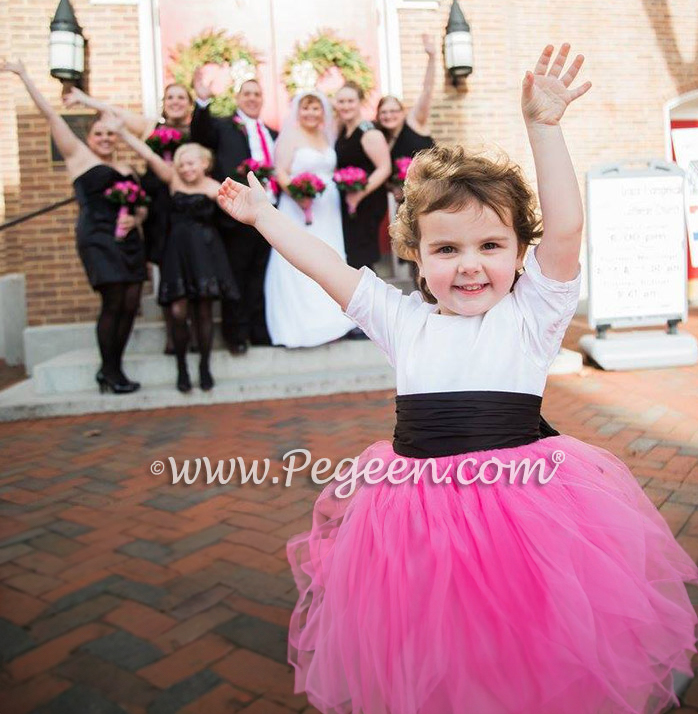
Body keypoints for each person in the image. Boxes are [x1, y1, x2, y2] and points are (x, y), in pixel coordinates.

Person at [217, 43, 698, 714]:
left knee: (524, 641)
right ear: (415, 255)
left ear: (519, 253)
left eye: (490, 246)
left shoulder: (534, 314)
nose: (469, 266)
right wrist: (265, 216)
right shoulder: (400, 317)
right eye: (447, 249)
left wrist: (545, 129)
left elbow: (566, 228)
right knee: (434, 647)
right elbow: (325, 265)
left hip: (525, 511)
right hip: (415, 518)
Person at [2, 59, 146, 394]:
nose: (106, 138)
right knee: (113, 299)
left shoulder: (126, 165)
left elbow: (142, 208)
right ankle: (110, 370)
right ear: (89, 136)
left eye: (111, 134)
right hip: (97, 236)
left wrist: (136, 218)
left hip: (130, 240)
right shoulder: (79, 157)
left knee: (130, 301)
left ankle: (113, 370)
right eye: (100, 133)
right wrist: (24, 75)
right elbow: (51, 115)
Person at [109, 116, 239, 393]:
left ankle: (204, 366)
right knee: (178, 312)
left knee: (203, 312)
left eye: (191, 163)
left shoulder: (216, 188)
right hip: (176, 252)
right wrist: (122, 131)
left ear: (204, 163)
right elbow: (147, 152)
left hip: (205, 252)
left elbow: (243, 208)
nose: (185, 168)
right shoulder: (173, 180)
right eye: (181, 163)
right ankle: (182, 365)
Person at [64, 83, 194, 354]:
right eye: (170, 97)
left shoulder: (199, 133)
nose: (175, 101)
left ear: (190, 104)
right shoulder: (150, 127)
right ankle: (174, 334)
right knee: (165, 266)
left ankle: (185, 329)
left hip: (186, 208)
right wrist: (85, 99)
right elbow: (115, 113)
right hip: (159, 207)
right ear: (163, 102)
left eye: (181, 97)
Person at [191, 72, 277, 354]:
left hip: (269, 216)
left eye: (257, 94)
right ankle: (235, 334)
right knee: (237, 276)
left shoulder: (271, 134)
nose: (252, 98)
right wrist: (202, 101)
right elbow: (200, 134)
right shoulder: (224, 127)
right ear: (238, 99)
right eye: (247, 94)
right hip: (238, 216)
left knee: (260, 276)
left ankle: (258, 329)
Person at [265, 91, 353, 347]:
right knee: (300, 257)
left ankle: (334, 318)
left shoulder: (327, 135)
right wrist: (297, 194)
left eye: (316, 109)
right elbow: (280, 171)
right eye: (306, 109)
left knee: (330, 255)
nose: (311, 114)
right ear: (298, 111)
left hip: (327, 207)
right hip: (297, 207)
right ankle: (301, 324)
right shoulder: (289, 136)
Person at [334, 81, 391, 271]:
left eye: (350, 101)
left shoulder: (368, 131)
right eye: (341, 101)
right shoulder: (343, 130)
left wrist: (359, 194)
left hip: (367, 202)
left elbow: (384, 168)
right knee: (353, 257)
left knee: (362, 259)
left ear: (360, 102)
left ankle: (369, 299)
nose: (345, 106)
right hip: (350, 202)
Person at [376, 33, 437, 177]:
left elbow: (427, 90)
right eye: (383, 112)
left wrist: (432, 58)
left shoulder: (414, 121)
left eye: (393, 111)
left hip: (435, 188)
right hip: (409, 197)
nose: (388, 115)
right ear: (378, 116)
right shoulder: (383, 139)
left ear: (402, 112)